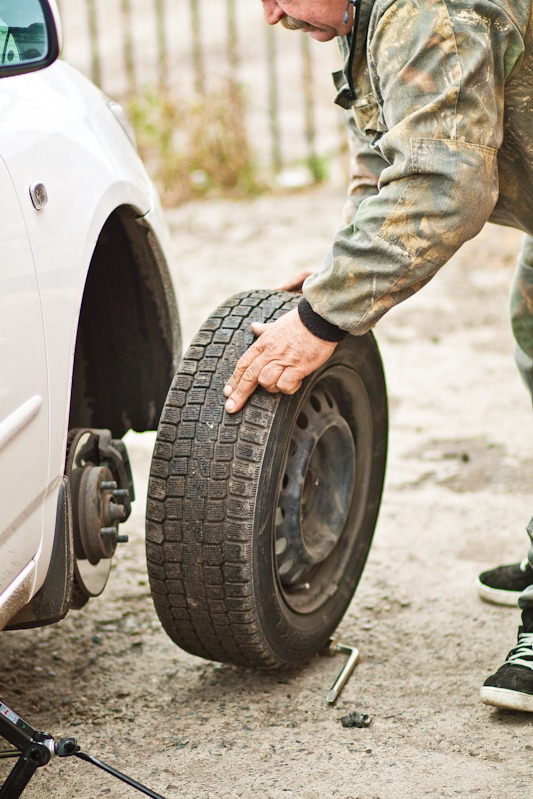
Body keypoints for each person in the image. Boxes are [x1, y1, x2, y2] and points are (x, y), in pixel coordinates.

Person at [222, 0, 533, 711]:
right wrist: (340, 275)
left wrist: (321, 319)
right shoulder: (365, 22)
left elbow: (445, 186)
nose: (271, 15)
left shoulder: (423, 12)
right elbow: (392, 160)